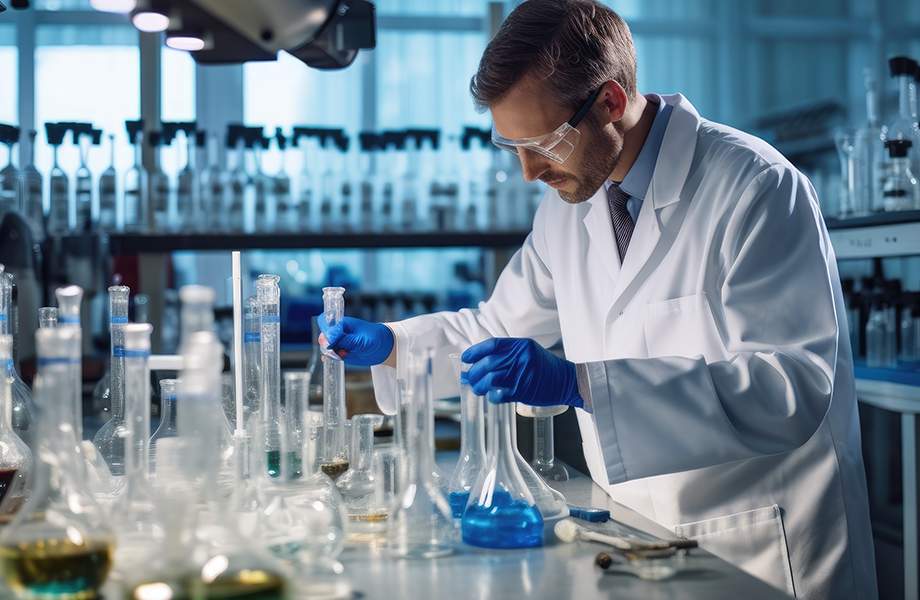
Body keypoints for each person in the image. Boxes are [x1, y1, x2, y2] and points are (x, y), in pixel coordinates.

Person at [318, 1, 877, 597]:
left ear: (611, 101)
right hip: (633, 539)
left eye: (544, 142)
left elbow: (792, 387)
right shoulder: (569, 209)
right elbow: (499, 329)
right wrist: (393, 346)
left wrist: (582, 385)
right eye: (513, 148)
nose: (531, 171)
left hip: (761, 547)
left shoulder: (755, 187)